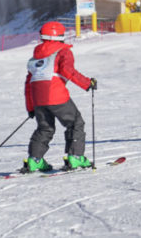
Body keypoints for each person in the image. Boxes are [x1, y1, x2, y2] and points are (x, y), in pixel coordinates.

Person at [22, 21, 97, 173]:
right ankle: (75, 157)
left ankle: (35, 160)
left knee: (45, 128)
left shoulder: (36, 57)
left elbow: (28, 84)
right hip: (55, 94)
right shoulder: (63, 51)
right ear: (58, 36)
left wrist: (31, 107)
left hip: (38, 99)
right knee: (75, 122)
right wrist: (87, 83)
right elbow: (67, 70)